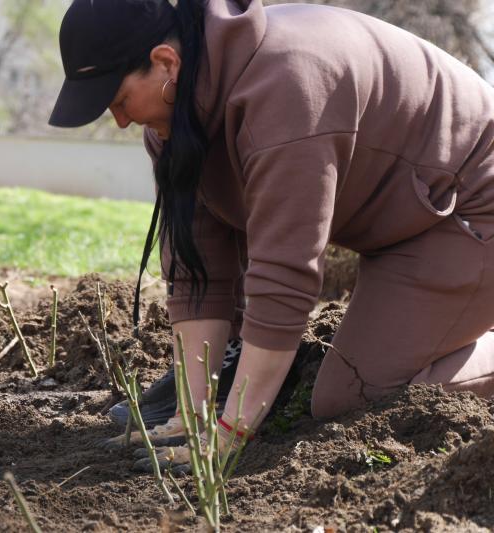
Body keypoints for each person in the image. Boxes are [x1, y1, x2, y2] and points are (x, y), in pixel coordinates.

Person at [49, 0, 494, 468]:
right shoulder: (173, 119)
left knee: (357, 397)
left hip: (467, 209)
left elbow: (284, 276)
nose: (120, 120)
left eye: (119, 101)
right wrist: (191, 414)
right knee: (342, 387)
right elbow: (198, 270)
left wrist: (229, 435)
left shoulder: (285, 89)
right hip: (396, 217)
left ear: (165, 62)